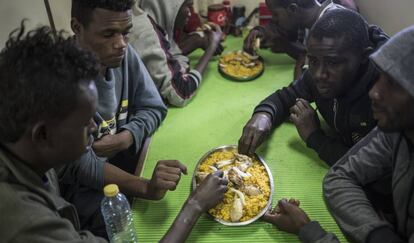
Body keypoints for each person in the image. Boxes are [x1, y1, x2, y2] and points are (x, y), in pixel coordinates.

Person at [0, 23, 228, 242]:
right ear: (42, 135)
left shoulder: (25, 147)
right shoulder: (23, 222)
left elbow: (72, 165)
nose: (93, 126)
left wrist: (145, 187)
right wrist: (195, 206)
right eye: (84, 122)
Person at [238, 8, 388, 166]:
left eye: (333, 63)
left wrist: (315, 137)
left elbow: (376, 171)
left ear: (363, 57)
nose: (318, 74)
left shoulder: (385, 96)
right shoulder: (320, 71)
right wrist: (264, 115)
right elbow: (285, 97)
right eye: (313, 61)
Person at [323, 26, 414, 243]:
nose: (374, 92)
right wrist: (377, 233)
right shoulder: (398, 130)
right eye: (380, 77)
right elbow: (339, 178)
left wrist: (314, 235)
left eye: (393, 83)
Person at [129, 0, 223, 107]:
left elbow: (166, 53)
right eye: (188, 6)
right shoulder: (146, 33)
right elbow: (181, 94)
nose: (190, 13)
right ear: (171, 6)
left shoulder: (145, 15)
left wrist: (198, 40)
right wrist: (211, 48)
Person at [244, 0, 357, 80]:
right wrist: (261, 31)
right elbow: (276, 29)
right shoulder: (308, 14)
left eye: (275, 14)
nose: (274, 19)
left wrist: (300, 68)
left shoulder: (334, 28)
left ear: (293, 9)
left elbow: (306, 86)